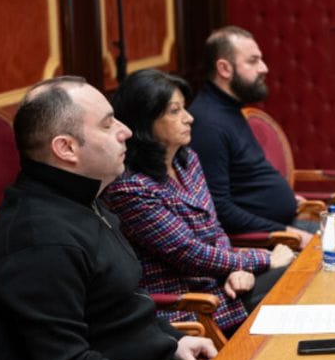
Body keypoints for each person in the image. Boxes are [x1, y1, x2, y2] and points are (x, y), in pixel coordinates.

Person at [0, 76, 217, 360]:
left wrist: (174, 341)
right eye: (107, 124)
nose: (125, 131)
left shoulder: (81, 198)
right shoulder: (40, 238)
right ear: (66, 148)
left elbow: (122, 303)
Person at [102, 69, 296, 334]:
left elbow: (215, 229)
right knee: (292, 280)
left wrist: (235, 271)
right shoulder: (130, 188)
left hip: (223, 285)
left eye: (185, 108)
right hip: (189, 307)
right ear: (145, 121)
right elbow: (189, 254)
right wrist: (264, 258)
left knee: (299, 275)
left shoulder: (187, 161)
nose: (189, 118)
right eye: (175, 111)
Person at [187, 25, 316, 248]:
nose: (264, 68)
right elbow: (219, 209)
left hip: (286, 224)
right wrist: (286, 233)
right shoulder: (208, 124)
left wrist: (289, 200)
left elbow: (246, 178)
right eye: (253, 61)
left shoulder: (229, 107)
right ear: (224, 68)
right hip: (268, 241)